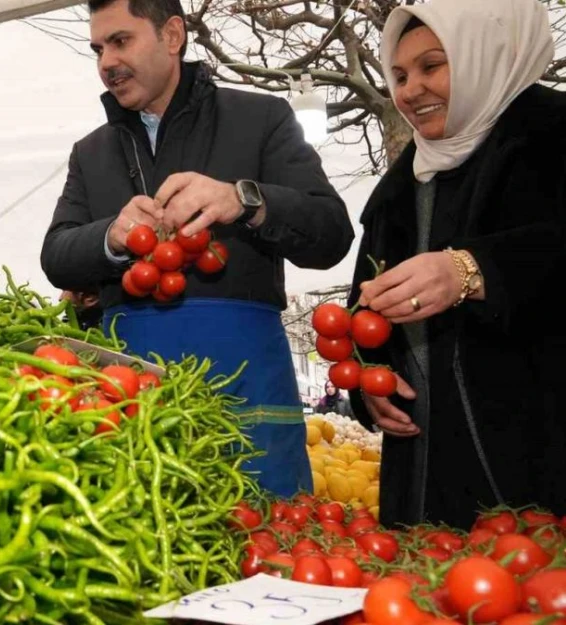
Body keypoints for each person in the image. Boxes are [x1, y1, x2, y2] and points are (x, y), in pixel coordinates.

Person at [39, 0, 354, 498]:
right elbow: (55, 255)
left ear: (171, 36)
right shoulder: (91, 151)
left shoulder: (262, 118)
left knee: (269, 536)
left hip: (249, 384)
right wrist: (111, 236)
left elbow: (332, 233)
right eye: (98, 49)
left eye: (121, 41)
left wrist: (245, 199)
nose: (106, 63)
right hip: (132, 393)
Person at [348, 0, 566, 529]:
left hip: (536, 448)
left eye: (431, 66)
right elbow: (363, 306)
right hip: (424, 461)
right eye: (398, 75)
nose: (409, 90)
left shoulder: (553, 136)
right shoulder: (401, 182)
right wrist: (369, 382)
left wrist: (475, 269)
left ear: (484, 56)